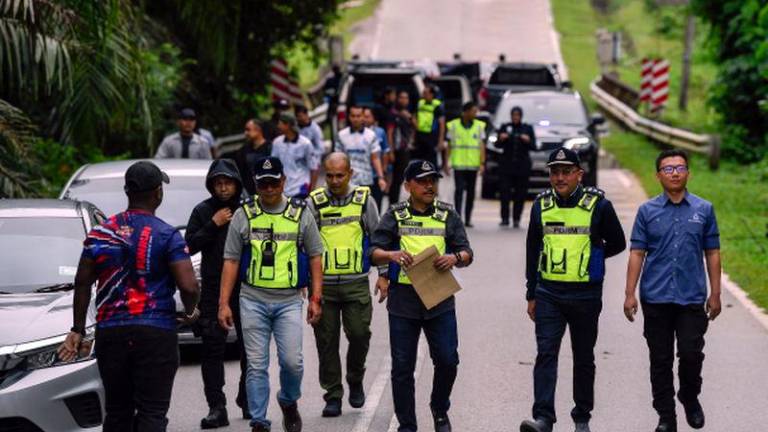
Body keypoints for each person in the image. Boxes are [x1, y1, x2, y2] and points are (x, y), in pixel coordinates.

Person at [58, 161, 201, 431]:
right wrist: (191, 311)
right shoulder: (166, 235)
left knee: (117, 411)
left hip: (111, 333)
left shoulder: (100, 233)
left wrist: (77, 329)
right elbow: (189, 286)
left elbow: (82, 282)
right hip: (155, 333)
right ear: (158, 193)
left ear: (127, 191)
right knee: (152, 412)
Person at [520, 148, 626, 432]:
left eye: (566, 172)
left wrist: (593, 257)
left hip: (585, 295)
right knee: (546, 354)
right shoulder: (540, 205)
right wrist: (531, 292)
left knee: (583, 356)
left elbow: (617, 242)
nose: (560, 177)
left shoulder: (598, 205)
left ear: (579, 174)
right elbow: (533, 250)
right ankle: (543, 418)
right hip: (549, 293)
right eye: (555, 172)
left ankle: (582, 418)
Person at [218, 156, 324, 432]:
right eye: (263, 184)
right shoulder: (244, 214)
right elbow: (230, 260)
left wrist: (315, 298)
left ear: (283, 181)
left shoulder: (301, 213)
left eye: (273, 183)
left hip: (289, 301)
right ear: (255, 184)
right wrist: (223, 304)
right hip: (252, 299)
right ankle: (259, 421)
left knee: (293, 363)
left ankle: (288, 401)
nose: (268, 189)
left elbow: (315, 256)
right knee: (256, 364)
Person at [370, 159, 474, 432]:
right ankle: (407, 424)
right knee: (402, 366)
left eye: (433, 180)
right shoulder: (394, 215)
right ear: (407, 186)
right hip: (404, 299)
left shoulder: (447, 215)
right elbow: (373, 251)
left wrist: (454, 258)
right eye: (423, 181)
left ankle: (439, 408)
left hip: (439, 298)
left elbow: (467, 253)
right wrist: (391, 255)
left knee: (448, 360)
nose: (429, 185)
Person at [623, 149, 721, 432]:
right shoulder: (647, 211)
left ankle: (690, 396)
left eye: (680, 168)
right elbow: (637, 252)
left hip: (691, 297)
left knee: (691, 354)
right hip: (656, 297)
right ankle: (666, 417)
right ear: (658, 176)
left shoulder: (704, 209)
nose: (675, 173)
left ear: (688, 173)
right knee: (660, 360)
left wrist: (715, 293)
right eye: (668, 169)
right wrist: (630, 293)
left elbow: (712, 252)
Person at [307, 153, 388, 417]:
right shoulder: (314, 203)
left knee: (359, 334)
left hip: (355, 283)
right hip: (324, 286)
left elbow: (378, 240)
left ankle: (355, 378)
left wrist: (384, 274)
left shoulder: (364, 200)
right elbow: (305, 244)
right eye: (329, 175)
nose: (334, 180)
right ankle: (333, 394)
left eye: (340, 175)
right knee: (326, 342)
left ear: (350, 173)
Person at [185, 159, 249, 428]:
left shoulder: (249, 208)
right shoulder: (203, 210)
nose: (223, 188)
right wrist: (213, 224)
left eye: (228, 182)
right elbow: (188, 246)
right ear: (211, 185)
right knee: (212, 350)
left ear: (236, 183)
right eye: (218, 183)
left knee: (251, 349)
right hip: (212, 289)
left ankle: (249, 398)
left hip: (247, 287)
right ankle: (216, 406)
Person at [444, 101, 486, 227]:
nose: (475, 113)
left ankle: (468, 219)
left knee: (471, 193)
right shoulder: (453, 126)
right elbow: (449, 146)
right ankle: (458, 218)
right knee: (459, 191)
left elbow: (482, 146)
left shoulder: (479, 126)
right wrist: (446, 162)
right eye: (473, 111)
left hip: (473, 165)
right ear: (466, 112)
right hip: (459, 165)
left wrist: (482, 163)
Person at [336, 105, 387, 202]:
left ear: (363, 117)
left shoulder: (371, 135)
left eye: (358, 116)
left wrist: (381, 177)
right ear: (349, 117)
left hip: (366, 180)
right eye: (353, 116)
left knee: (365, 213)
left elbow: (375, 158)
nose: (355, 119)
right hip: (347, 182)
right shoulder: (341, 135)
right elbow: (338, 159)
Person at [497, 106, 536, 227]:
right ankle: (504, 218)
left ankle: (516, 218)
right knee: (505, 193)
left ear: (521, 116)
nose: (515, 117)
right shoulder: (505, 127)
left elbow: (534, 146)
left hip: (522, 167)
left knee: (520, 194)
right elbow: (497, 144)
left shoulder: (527, 128)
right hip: (506, 166)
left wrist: (528, 140)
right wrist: (501, 138)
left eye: (517, 115)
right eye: (513, 115)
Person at [271, 112, 317, 199]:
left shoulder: (305, 143)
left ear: (287, 125)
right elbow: (274, 164)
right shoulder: (277, 142)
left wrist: (312, 191)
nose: (278, 126)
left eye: (280, 123)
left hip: (301, 189)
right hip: (284, 190)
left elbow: (314, 168)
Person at [221, 119, 271, 196]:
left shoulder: (270, 148)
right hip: (247, 193)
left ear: (258, 130)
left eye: (248, 130)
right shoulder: (244, 149)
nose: (245, 133)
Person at [387, 91, 415, 204]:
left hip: (405, 150)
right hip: (396, 150)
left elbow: (416, 127)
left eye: (406, 98)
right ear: (397, 99)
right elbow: (389, 132)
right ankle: (392, 204)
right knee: (394, 179)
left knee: (400, 178)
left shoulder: (408, 114)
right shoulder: (393, 114)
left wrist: (410, 117)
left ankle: (395, 203)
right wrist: (391, 151)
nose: (404, 100)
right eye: (401, 98)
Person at [363, 106, 390, 209]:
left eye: (367, 117)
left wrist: (383, 171)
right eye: (363, 116)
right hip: (362, 177)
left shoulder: (380, 132)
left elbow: (385, 152)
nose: (364, 119)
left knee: (376, 204)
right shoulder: (356, 134)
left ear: (374, 118)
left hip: (376, 176)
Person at [413, 85, 445, 167]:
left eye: (426, 93)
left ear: (432, 95)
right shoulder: (420, 103)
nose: (423, 95)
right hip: (420, 134)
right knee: (421, 158)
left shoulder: (437, 105)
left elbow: (441, 123)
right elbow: (414, 116)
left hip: (431, 135)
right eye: (423, 93)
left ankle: (433, 176)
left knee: (431, 158)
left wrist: (441, 140)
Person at [296, 105, 325, 191]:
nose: (300, 118)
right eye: (297, 116)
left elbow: (321, 148)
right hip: (299, 162)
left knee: (310, 188)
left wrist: (309, 155)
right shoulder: (295, 128)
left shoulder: (315, 129)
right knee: (300, 187)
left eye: (301, 116)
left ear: (306, 115)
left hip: (313, 161)